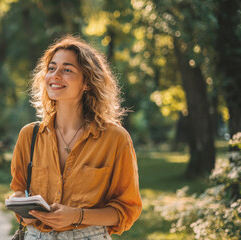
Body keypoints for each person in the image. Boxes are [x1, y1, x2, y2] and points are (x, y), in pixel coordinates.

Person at [8, 35, 142, 239]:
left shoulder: (115, 138)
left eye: (67, 69)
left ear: (87, 82)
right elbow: (19, 190)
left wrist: (76, 216)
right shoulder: (29, 135)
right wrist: (25, 213)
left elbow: (125, 210)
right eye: (51, 68)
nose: (56, 75)